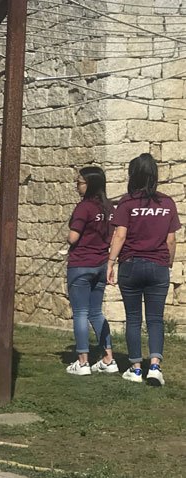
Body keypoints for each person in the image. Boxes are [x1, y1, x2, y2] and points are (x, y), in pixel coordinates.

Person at [108, 153, 181, 386]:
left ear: (133, 175)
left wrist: (110, 262)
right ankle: (156, 367)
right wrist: (167, 263)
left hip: (131, 265)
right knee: (156, 319)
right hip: (158, 265)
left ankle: (136, 368)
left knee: (133, 318)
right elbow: (171, 240)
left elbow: (120, 235)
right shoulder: (167, 203)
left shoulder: (127, 203)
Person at [65, 167, 117, 376]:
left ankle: (83, 361)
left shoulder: (83, 207)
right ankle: (108, 357)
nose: (77, 185)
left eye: (79, 181)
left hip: (81, 264)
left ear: (90, 184)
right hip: (101, 263)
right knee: (96, 312)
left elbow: (73, 238)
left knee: (80, 312)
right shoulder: (109, 207)